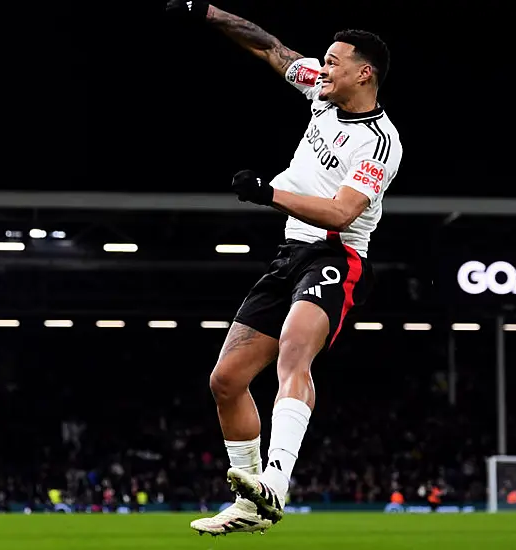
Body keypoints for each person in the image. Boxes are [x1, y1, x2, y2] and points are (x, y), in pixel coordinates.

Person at [167, 0, 402, 536]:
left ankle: (277, 480)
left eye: (334, 61)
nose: (322, 68)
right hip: (289, 255)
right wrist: (207, 13)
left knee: (296, 349)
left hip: (336, 255)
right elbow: (267, 46)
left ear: (363, 72)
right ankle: (250, 503)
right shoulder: (320, 94)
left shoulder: (380, 142)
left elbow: (344, 212)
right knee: (225, 380)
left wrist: (267, 193)